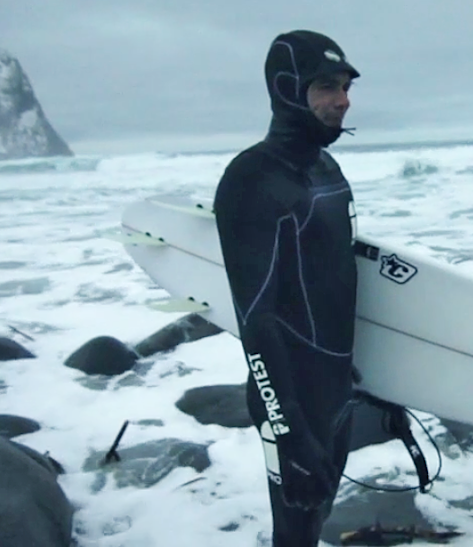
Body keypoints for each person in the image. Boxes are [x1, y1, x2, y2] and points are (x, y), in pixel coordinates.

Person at [212, 29, 363, 546]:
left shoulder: (327, 169)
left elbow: (334, 281)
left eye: (345, 86)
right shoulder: (251, 179)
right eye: (326, 86)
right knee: (295, 534)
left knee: (314, 524)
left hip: (336, 387)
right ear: (286, 89)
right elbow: (255, 318)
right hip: (292, 400)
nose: (342, 100)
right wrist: (291, 430)